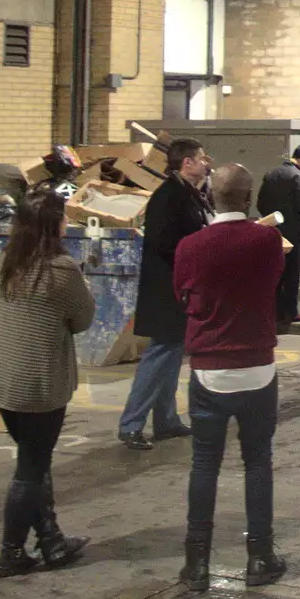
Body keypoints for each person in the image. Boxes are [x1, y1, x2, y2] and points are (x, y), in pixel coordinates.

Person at [172, 164, 287, 592]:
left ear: (209, 195)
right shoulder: (267, 240)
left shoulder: (190, 246)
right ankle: (260, 557)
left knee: (205, 463)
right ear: (249, 196)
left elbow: (181, 294)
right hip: (257, 365)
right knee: (257, 461)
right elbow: (274, 281)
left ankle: (196, 563)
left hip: (209, 368)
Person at [0, 190, 94, 578]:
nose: (69, 223)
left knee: (35, 460)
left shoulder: (6, 261)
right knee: (31, 469)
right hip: (39, 386)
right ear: (54, 225)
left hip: (3, 382)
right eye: (64, 217)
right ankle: (11, 553)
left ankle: (52, 540)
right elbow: (82, 320)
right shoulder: (61, 270)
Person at [119, 137, 209, 451]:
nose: (206, 163)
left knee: (171, 356)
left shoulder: (189, 194)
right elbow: (165, 244)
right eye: (201, 158)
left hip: (180, 289)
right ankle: (131, 425)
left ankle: (166, 420)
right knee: (158, 357)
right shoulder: (169, 197)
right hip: (166, 290)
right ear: (187, 163)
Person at [258, 146, 300, 329]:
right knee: (291, 272)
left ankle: (275, 311)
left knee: (275, 270)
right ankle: (291, 311)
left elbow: (260, 202)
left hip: (272, 227)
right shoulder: (298, 176)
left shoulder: (271, 173)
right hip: (292, 229)